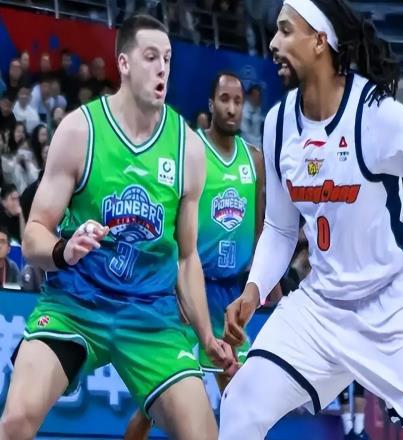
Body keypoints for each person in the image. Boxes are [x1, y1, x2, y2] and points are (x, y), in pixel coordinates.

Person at [219, 1, 403, 440]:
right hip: (322, 306)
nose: (273, 43)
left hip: (395, 304)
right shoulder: (278, 125)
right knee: (240, 404)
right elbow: (281, 228)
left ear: (319, 40)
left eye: (286, 30)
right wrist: (254, 290)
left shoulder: (376, 114)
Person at [0, 14, 235, 440]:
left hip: (150, 316)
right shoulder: (80, 130)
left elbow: (186, 259)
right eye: (151, 57)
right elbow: (33, 234)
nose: (162, 68)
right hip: (75, 305)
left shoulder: (187, 148)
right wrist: (64, 250)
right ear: (123, 63)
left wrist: (206, 335)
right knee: (15, 421)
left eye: (167, 58)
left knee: (204, 436)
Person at [124, 71, 267, 440]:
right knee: (154, 403)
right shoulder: (191, 151)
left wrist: (266, 278)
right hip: (189, 291)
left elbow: (260, 226)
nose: (232, 108)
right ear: (211, 104)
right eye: (224, 99)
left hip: (231, 297)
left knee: (241, 397)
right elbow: (169, 220)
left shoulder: (254, 160)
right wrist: (172, 281)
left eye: (238, 101)